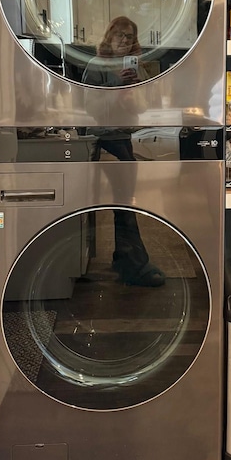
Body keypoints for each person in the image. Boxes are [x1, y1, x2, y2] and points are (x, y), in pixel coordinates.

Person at [82, 16, 165, 288]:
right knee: (117, 205)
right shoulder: (96, 66)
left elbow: (142, 108)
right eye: (119, 35)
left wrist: (136, 86)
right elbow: (90, 107)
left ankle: (125, 259)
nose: (124, 41)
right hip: (101, 141)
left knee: (124, 203)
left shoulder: (135, 69)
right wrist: (116, 84)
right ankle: (134, 266)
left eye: (129, 37)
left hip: (123, 138)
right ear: (109, 36)